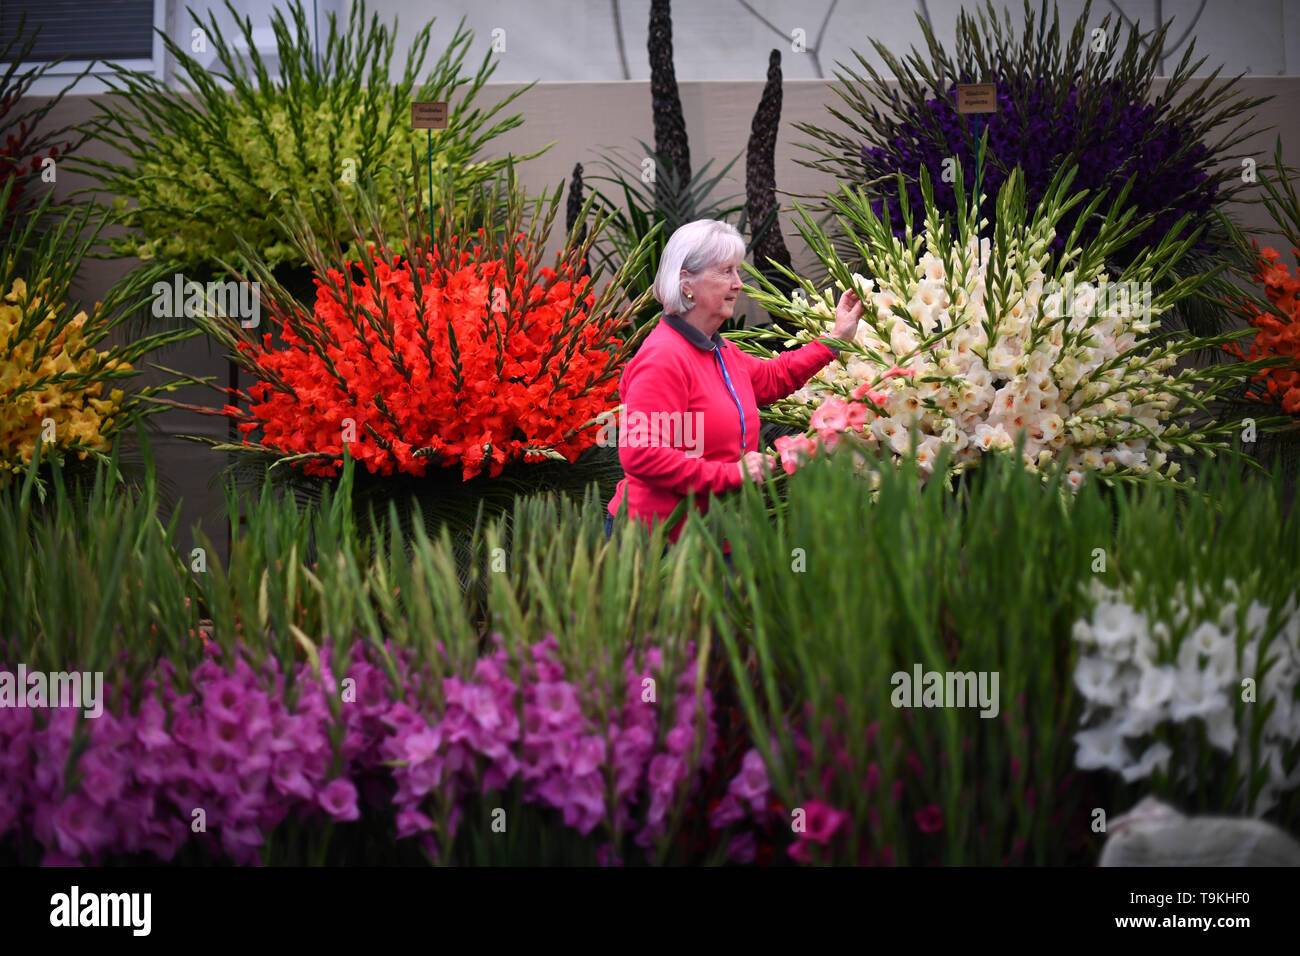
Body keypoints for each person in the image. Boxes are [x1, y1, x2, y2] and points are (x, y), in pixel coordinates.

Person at [603, 219, 864, 565]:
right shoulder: (664, 358)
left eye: (737, 272)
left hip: (710, 535)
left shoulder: (716, 350)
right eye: (725, 272)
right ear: (687, 284)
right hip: (660, 544)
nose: (738, 284)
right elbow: (642, 455)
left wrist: (835, 339)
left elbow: (773, 377)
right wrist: (734, 474)